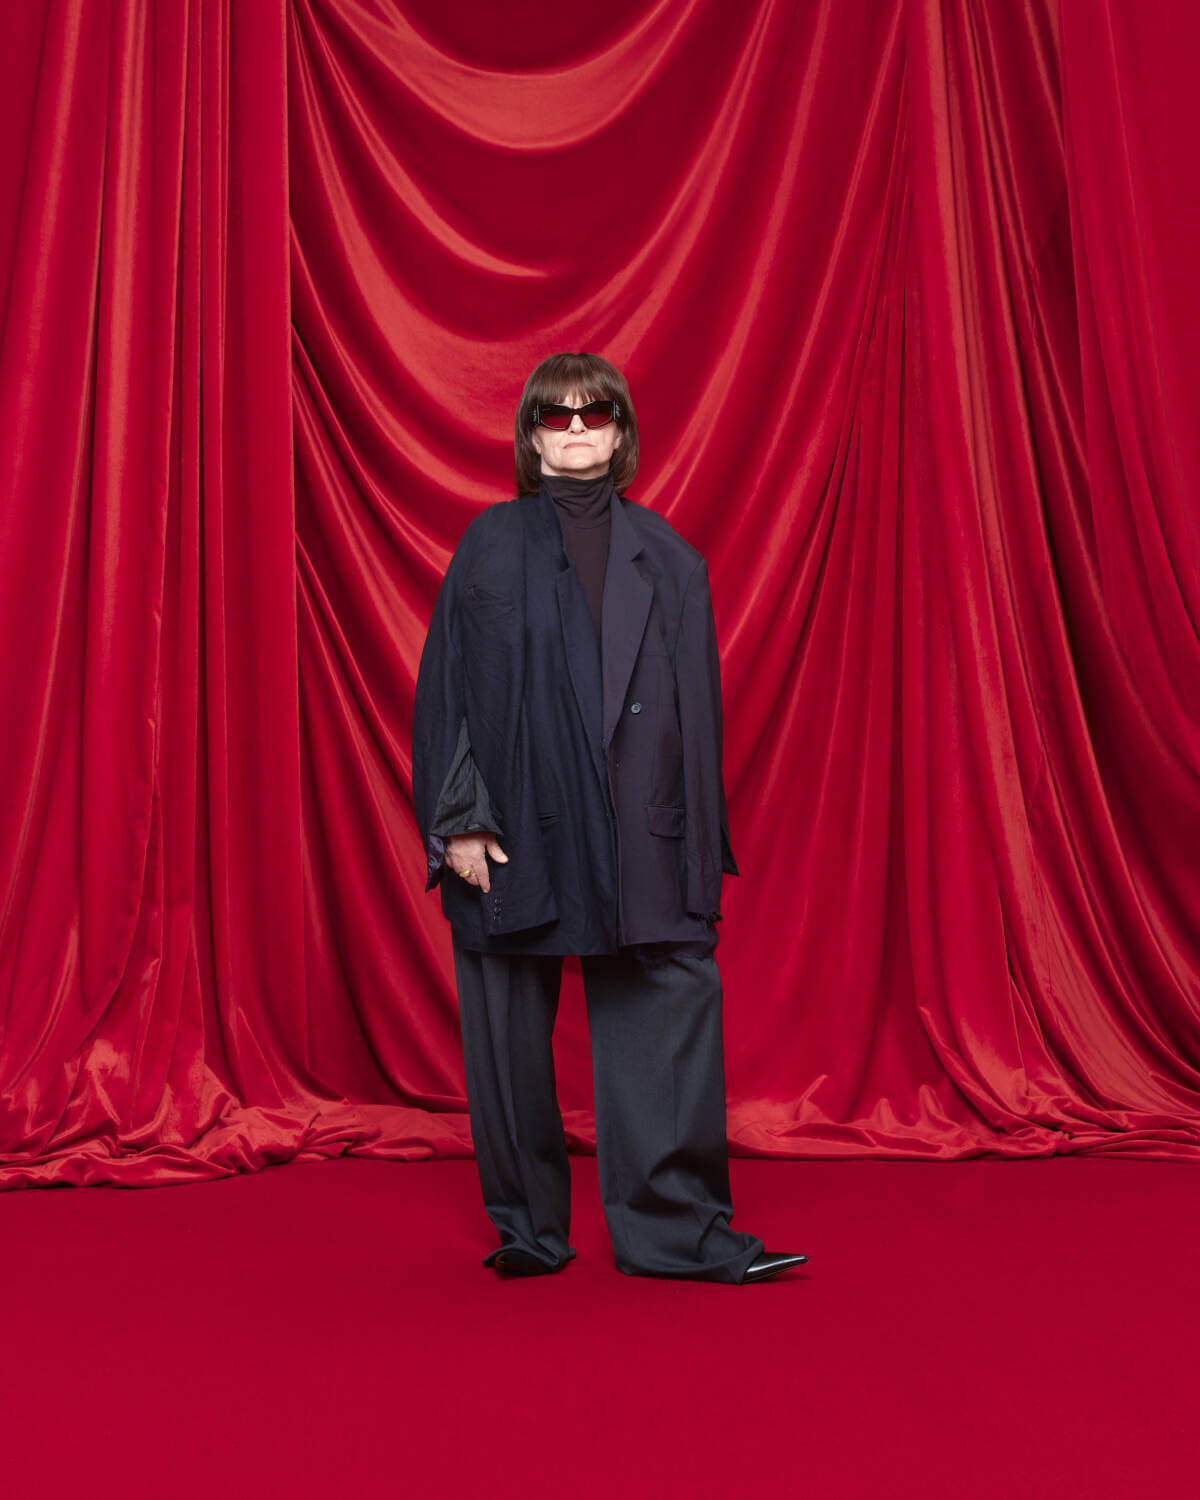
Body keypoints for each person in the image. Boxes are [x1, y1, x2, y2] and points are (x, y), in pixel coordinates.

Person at [412, 351, 807, 1284]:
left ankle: (678, 1234)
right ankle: (529, 1230)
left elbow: (697, 721)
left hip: (639, 829)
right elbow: (447, 691)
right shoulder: (489, 544)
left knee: (666, 1009)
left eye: (596, 415)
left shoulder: (669, 558)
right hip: (514, 825)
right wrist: (459, 819)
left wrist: (696, 856)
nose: (578, 430)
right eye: (557, 416)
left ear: (622, 432)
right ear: (532, 435)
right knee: (507, 1028)